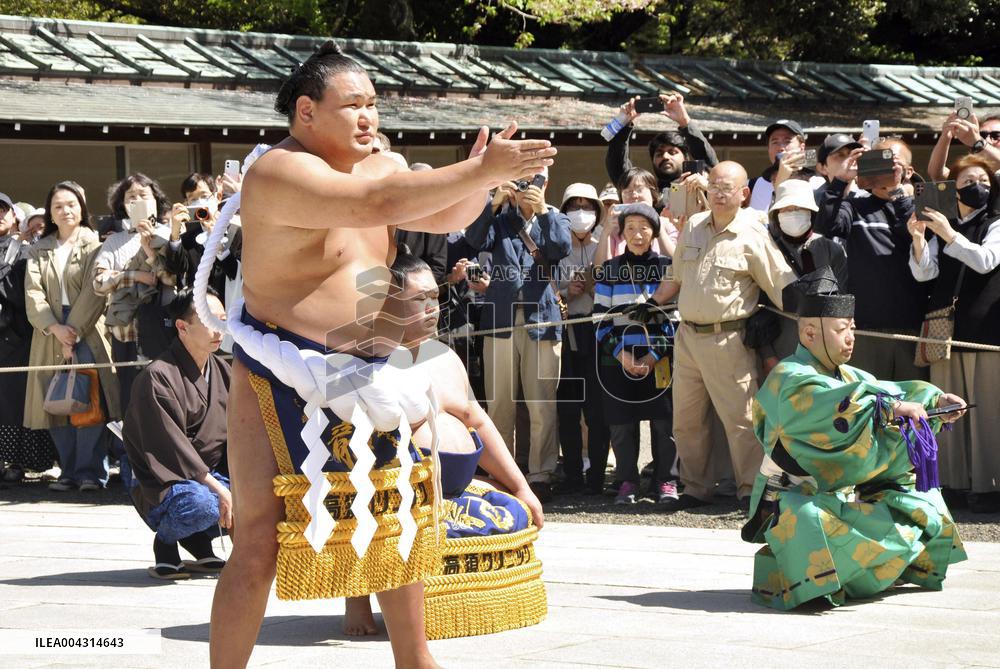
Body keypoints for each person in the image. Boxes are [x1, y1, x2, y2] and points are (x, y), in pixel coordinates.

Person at [207, 41, 554, 669]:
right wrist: (478, 172)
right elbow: (378, 207)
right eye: (353, 105)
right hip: (281, 369)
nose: (369, 116)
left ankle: (414, 661)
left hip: (369, 371)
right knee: (258, 540)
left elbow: (447, 215)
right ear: (307, 112)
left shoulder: (382, 163)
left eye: (373, 103)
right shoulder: (279, 172)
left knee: (395, 526)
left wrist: (484, 178)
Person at [741, 267, 968, 610]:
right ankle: (820, 584)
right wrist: (892, 408)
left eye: (852, 329)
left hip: (843, 493)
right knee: (807, 519)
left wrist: (935, 403)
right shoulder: (788, 376)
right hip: (796, 497)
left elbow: (890, 391)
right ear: (809, 333)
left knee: (924, 502)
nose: (851, 338)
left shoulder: (850, 375)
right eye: (841, 330)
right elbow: (834, 404)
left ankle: (890, 570)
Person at [343, 250, 544, 636]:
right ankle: (358, 600)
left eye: (434, 297)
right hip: (398, 490)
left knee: (515, 508)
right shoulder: (369, 361)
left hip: (457, 485)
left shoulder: (447, 356)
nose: (431, 307)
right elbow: (357, 454)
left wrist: (521, 487)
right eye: (419, 299)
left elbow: (478, 421)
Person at [648, 161, 795, 510]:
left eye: (726, 187)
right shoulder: (694, 226)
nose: (717, 192)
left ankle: (750, 491)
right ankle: (695, 488)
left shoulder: (754, 233)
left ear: (744, 193)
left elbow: (782, 287)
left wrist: (818, 316)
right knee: (686, 420)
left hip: (729, 338)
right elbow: (676, 277)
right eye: (713, 184)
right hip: (687, 337)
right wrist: (651, 304)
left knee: (742, 422)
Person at [464, 168, 571, 502]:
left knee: (542, 403)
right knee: (499, 404)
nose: (527, 187)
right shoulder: (500, 220)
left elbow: (561, 247)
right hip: (500, 319)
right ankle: (502, 472)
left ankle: (541, 473)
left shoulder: (556, 218)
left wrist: (540, 211)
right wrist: (492, 203)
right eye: (522, 180)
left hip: (541, 321)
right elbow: (474, 239)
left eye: (534, 181)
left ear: (546, 184)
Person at [909, 154, 1000, 514]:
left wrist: (949, 234)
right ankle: (953, 481)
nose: (976, 187)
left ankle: (989, 484)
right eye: (967, 182)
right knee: (946, 406)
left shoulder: (996, 223)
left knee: (986, 409)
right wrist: (919, 239)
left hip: (985, 329)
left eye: (984, 182)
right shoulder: (941, 224)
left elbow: (985, 260)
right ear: (953, 190)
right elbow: (924, 274)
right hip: (943, 327)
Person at [123, 289, 231, 580]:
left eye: (223, 320)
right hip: (161, 478)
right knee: (204, 503)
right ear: (182, 327)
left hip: (207, 474)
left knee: (258, 494)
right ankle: (167, 540)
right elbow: (169, 447)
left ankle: (197, 540)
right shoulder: (157, 376)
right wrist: (219, 489)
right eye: (210, 320)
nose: (219, 329)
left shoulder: (224, 370)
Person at [23, 181, 120, 492]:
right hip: (48, 329)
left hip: (86, 328)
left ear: (82, 207)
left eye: (71, 204)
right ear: (50, 212)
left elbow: (96, 294)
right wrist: (55, 328)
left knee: (88, 399)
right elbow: (33, 293)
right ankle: (67, 469)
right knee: (55, 400)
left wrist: (71, 332)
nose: (65, 210)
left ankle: (91, 471)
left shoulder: (95, 244)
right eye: (58, 206)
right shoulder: (40, 247)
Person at [814, 141, 930, 382]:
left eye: (892, 162)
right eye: (878, 160)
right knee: (870, 407)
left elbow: (918, 232)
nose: (884, 168)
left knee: (916, 407)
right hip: (864, 329)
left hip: (913, 328)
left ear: (908, 171)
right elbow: (826, 225)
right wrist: (841, 180)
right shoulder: (855, 205)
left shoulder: (922, 205)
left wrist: (897, 191)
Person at [593, 203, 677, 504]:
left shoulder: (668, 267)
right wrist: (621, 354)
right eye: (631, 228)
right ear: (622, 232)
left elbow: (675, 318)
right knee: (621, 422)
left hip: (660, 356)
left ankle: (666, 480)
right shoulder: (610, 270)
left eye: (644, 227)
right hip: (617, 356)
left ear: (654, 231)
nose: (638, 234)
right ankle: (626, 480)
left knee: (664, 422)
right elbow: (599, 318)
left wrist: (654, 355)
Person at [94, 174, 181, 413]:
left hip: (164, 326)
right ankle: (129, 448)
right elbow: (98, 282)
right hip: (126, 330)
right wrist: (132, 276)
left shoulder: (169, 233)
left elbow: (172, 279)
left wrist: (150, 252)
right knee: (130, 394)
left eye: (144, 195)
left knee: (166, 390)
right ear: (122, 204)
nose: (137, 200)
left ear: (156, 200)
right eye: (131, 196)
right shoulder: (114, 241)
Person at [554, 183, 609, 495]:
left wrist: (591, 285)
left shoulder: (604, 242)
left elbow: (609, 277)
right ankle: (572, 474)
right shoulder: (553, 245)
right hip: (565, 329)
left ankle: (598, 477)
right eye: (573, 206)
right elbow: (546, 285)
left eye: (587, 206)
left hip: (596, 330)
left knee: (597, 408)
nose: (581, 213)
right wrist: (565, 291)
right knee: (568, 408)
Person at [760, 179, 847, 368]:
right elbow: (759, 307)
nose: (792, 214)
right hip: (780, 348)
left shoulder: (832, 250)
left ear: (811, 212)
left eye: (798, 208)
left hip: (824, 350)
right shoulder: (767, 249)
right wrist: (767, 355)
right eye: (786, 209)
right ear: (776, 214)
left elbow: (841, 304)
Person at [0, 193, 56, 484]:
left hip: (15, 338)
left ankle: (16, 461)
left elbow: (28, 294)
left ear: (13, 217)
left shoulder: (23, 251)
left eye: (3, 211)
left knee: (13, 401)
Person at [605, 93, 717, 192]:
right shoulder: (647, 195)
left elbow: (713, 167)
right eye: (659, 154)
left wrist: (685, 121)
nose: (665, 156)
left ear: (686, 158)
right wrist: (624, 124)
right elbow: (618, 168)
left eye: (672, 152)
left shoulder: (702, 188)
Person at [748, 120, 823, 212]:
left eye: (787, 141)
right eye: (775, 142)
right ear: (769, 149)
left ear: (802, 148)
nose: (781, 148)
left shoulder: (818, 184)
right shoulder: (753, 185)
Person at [928, 112, 1000, 181]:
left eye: (996, 136)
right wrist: (946, 135)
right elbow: (937, 174)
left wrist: (976, 140)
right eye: (982, 135)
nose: (987, 140)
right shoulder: (971, 172)